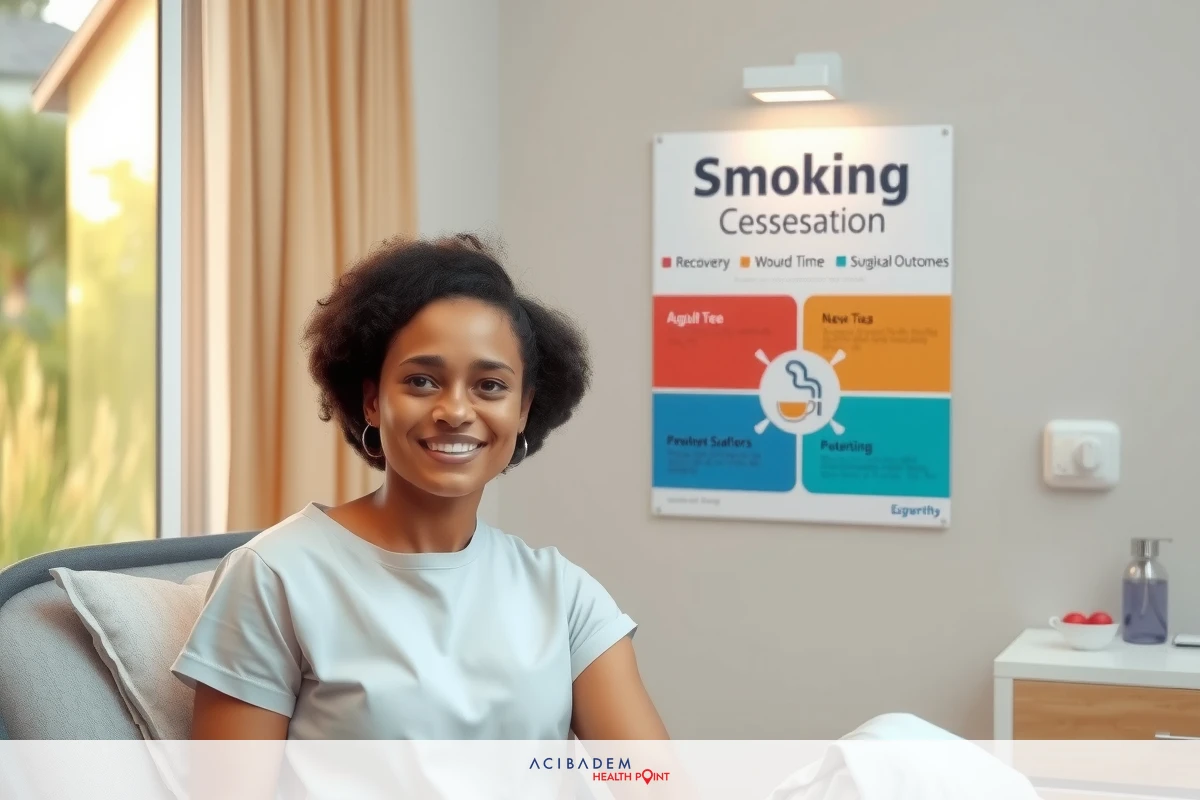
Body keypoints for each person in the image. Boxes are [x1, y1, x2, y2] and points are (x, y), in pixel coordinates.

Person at [171, 234, 668, 741]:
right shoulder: (276, 575)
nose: (454, 411)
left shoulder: (563, 595)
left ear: (522, 410)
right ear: (371, 401)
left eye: (490, 386)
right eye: (422, 381)